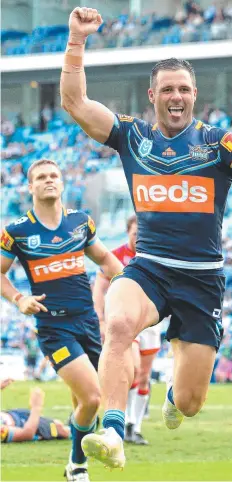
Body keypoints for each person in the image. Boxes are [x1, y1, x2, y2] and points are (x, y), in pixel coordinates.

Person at [60, 7, 232, 470]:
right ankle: (113, 431)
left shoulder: (217, 142)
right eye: (168, 89)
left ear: (195, 95)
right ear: (152, 95)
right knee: (116, 325)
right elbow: (76, 104)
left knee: (192, 402)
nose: (177, 96)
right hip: (148, 268)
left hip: (201, 280)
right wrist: (76, 41)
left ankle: (172, 397)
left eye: (185, 89)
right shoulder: (131, 137)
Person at [0, 158, 123, 481]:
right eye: (41, 177)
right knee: (94, 397)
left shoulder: (80, 223)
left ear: (64, 183)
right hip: (54, 328)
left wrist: (128, 292)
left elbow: (108, 261)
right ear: (30, 187)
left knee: (88, 404)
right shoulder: (17, 231)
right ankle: (77, 466)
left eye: (54, 175)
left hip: (87, 322)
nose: (49, 180)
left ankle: (76, 458)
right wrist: (19, 298)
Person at [93, 214, 161, 445]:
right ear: (128, 232)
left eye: (142, 233)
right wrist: (101, 319)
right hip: (126, 321)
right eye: (135, 233)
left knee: (144, 376)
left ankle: (135, 425)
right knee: (132, 367)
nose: (139, 237)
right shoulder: (116, 256)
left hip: (151, 321)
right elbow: (99, 288)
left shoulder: (155, 255)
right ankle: (120, 422)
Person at [1, 382, 70, 443]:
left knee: (59, 425)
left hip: (16, 414)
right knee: (61, 429)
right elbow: (27, 434)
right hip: (28, 425)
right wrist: (36, 407)